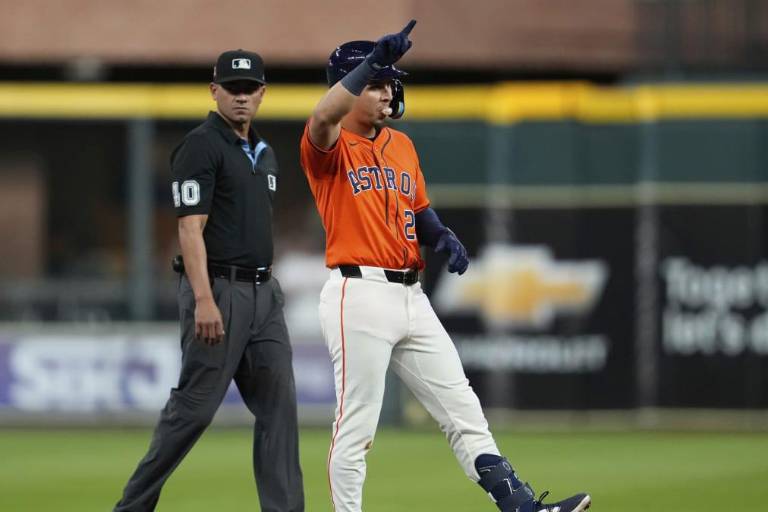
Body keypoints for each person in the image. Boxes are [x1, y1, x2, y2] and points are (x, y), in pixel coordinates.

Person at [299, 21, 591, 512]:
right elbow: (322, 115)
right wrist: (367, 64)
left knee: (463, 410)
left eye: (389, 80)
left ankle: (521, 507)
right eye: (375, 83)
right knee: (357, 428)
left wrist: (440, 235)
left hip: (411, 295)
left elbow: (417, 209)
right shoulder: (327, 144)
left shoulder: (401, 145)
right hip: (359, 292)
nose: (388, 90)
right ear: (346, 89)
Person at [114, 49, 304, 512]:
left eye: (249, 88)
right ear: (214, 90)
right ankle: (131, 507)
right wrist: (203, 298)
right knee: (193, 411)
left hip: (264, 296)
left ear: (262, 93)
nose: (241, 97)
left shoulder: (264, 153)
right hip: (218, 290)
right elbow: (188, 228)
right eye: (232, 88)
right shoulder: (201, 145)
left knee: (279, 412)